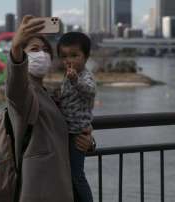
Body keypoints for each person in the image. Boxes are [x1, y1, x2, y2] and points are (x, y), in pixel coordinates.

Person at [6, 15, 95, 202]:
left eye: (46, 50)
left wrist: (88, 141)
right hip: (40, 190)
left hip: (62, 188)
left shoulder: (49, 94)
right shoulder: (24, 95)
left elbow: (67, 124)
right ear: (23, 55)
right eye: (34, 49)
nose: (42, 54)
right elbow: (14, 86)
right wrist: (15, 48)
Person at [57, 32, 96, 202]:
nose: (68, 60)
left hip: (77, 133)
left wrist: (75, 81)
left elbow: (90, 91)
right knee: (67, 174)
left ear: (86, 57)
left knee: (76, 174)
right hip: (67, 131)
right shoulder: (67, 76)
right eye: (64, 56)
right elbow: (65, 97)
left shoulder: (85, 76)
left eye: (74, 55)